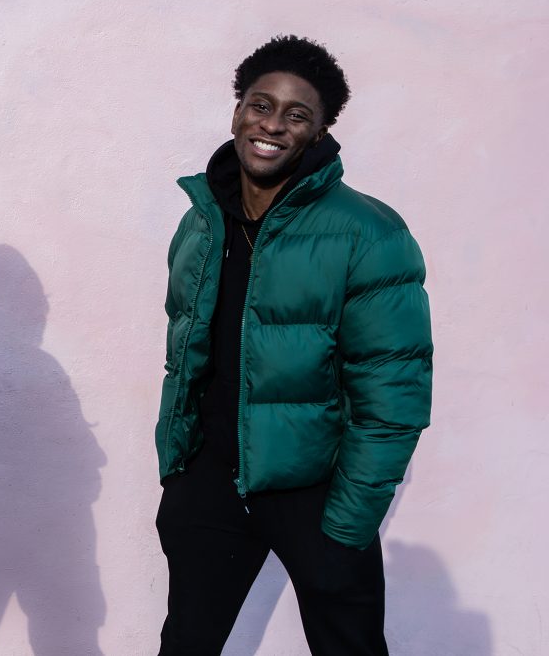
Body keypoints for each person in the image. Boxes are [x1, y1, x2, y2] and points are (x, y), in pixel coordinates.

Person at [154, 36, 433, 655]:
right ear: (237, 111)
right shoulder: (201, 220)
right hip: (210, 481)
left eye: (296, 114)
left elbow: (395, 393)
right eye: (261, 104)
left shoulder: (369, 232)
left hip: (316, 491)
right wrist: (181, 473)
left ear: (320, 130)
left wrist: (350, 521)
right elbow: (185, 355)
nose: (272, 124)